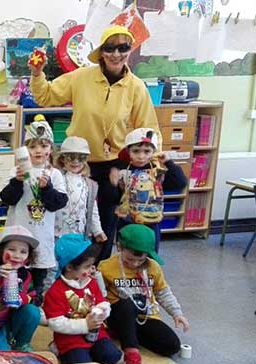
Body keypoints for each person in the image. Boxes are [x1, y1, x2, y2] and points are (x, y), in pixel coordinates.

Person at [29, 25, 160, 261]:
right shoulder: (81, 77)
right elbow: (45, 95)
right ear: (101, 51)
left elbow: (147, 131)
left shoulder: (136, 87)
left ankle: (97, 274)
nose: (116, 54)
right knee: (69, 216)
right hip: (77, 163)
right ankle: (67, 268)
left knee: (106, 223)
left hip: (114, 166)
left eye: (123, 47)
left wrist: (150, 168)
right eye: (110, 48)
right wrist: (37, 74)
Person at [98, 224, 189, 364]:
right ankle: (132, 356)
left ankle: (126, 334)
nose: (134, 264)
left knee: (171, 346)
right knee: (126, 304)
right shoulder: (106, 267)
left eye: (139, 260)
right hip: (119, 314)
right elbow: (99, 297)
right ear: (120, 247)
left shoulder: (153, 267)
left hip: (145, 316)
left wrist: (176, 313)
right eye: (129, 259)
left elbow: (162, 292)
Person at [1, 117, 68, 295]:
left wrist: (47, 189)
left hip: (41, 237)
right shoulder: (17, 172)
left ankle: (36, 303)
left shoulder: (55, 175)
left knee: (38, 276)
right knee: (14, 272)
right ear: (25, 149)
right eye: (32, 146)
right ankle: (11, 302)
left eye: (44, 146)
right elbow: (7, 199)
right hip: (18, 235)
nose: (38, 151)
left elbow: (58, 203)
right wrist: (16, 182)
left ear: (51, 149)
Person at [44, 234, 121, 364]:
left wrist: (102, 311)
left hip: (96, 334)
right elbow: (56, 323)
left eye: (92, 265)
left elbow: (102, 301)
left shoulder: (91, 282)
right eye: (87, 266)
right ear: (69, 267)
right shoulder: (55, 291)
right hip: (70, 339)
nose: (92, 269)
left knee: (112, 355)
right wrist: (85, 325)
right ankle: (58, 348)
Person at [114, 128, 187, 251]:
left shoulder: (157, 173)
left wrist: (168, 162)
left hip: (151, 223)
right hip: (127, 223)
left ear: (154, 151)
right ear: (128, 151)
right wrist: (114, 183)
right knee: (126, 255)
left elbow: (180, 183)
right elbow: (114, 197)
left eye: (147, 151)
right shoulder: (122, 171)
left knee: (149, 256)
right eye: (136, 151)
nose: (141, 156)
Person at [0, 225, 42, 352]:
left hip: (7, 321)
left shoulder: (25, 275)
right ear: (1, 251)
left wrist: (22, 299)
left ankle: (21, 344)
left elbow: (36, 298)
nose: (17, 256)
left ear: (28, 257)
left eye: (23, 252)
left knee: (32, 312)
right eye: (12, 249)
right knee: (2, 351)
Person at [55, 136, 106, 242]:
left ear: (86, 159)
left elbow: (93, 210)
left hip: (79, 235)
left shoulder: (90, 185)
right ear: (62, 158)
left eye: (81, 157)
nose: (76, 161)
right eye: (71, 157)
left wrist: (97, 231)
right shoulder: (56, 178)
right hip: (56, 235)